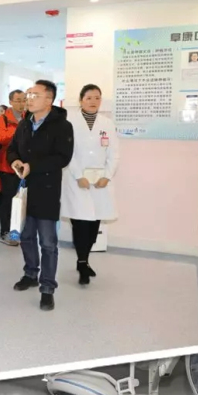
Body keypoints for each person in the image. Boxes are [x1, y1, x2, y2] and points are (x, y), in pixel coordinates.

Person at [8, 79, 74, 311]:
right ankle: (30, 274)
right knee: (25, 236)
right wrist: (15, 161)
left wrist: (32, 166)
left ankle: (47, 288)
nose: (29, 99)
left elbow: (62, 158)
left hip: (46, 191)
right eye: (28, 94)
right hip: (24, 190)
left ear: (49, 99)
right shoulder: (24, 124)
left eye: (34, 95)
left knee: (47, 243)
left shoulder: (62, 126)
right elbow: (12, 149)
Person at [61, 83, 119, 286]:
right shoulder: (70, 122)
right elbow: (67, 152)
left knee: (94, 223)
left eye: (97, 98)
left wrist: (107, 176)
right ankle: (82, 262)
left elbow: (114, 153)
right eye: (89, 98)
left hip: (99, 182)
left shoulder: (107, 123)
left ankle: (84, 260)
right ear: (81, 100)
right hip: (77, 180)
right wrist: (78, 175)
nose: (93, 102)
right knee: (80, 223)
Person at [0, 89, 26, 246]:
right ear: (11, 102)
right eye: (18, 100)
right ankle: (5, 232)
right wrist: (18, 131)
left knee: (22, 202)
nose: (22, 103)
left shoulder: (28, 117)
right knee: (7, 202)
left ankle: (17, 232)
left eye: (24, 100)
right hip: (6, 167)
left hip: (24, 167)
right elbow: (0, 138)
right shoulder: (2, 119)